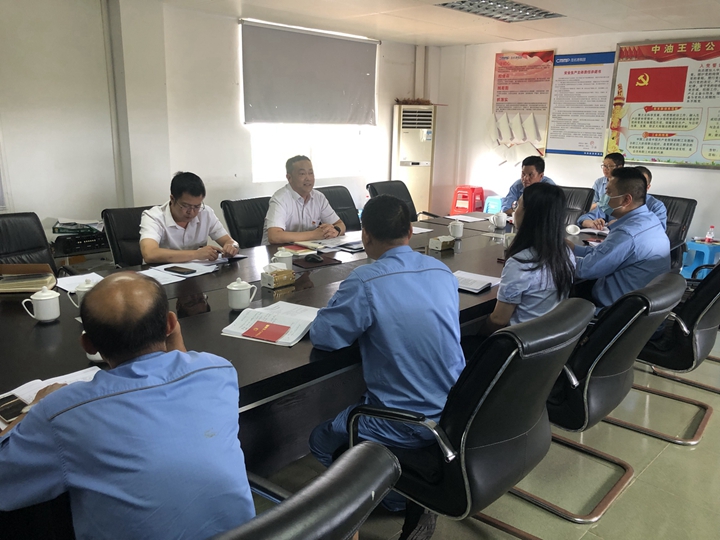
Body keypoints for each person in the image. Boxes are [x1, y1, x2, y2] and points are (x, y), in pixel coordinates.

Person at [0, 273, 255, 540]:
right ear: (171, 324)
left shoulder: (62, 413)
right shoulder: (218, 370)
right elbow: (180, 368)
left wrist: (35, 407)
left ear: (88, 345)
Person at [307, 194, 465, 489]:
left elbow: (325, 337)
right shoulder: (442, 271)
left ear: (365, 235)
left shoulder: (365, 280)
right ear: (410, 231)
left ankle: (395, 499)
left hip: (403, 421)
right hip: (455, 412)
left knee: (320, 440)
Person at [479, 183, 575, 335]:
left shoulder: (521, 263)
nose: (514, 211)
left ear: (530, 215)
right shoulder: (566, 253)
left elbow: (499, 320)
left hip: (518, 342)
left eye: (518, 205)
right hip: (550, 337)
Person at [572, 167, 670, 310]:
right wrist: (573, 248)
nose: (604, 197)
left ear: (626, 200)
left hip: (613, 311)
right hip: (643, 306)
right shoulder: (650, 220)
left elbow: (584, 269)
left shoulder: (627, 233)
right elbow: (603, 253)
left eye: (608, 192)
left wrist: (554, 258)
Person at [140, 171, 239, 263]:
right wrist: (196, 254)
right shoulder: (153, 217)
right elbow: (150, 254)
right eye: (185, 206)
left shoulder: (205, 213)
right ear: (172, 199)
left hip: (198, 272)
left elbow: (229, 241)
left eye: (197, 206)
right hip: (161, 273)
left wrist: (232, 246)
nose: (191, 212)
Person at [262, 155, 346, 245]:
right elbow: (274, 236)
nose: (308, 178)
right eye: (302, 174)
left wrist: (335, 231)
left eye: (311, 173)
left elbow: (340, 224)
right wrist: (314, 234)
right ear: (289, 178)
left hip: (308, 250)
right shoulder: (280, 198)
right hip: (277, 252)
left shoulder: (319, 197)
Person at [578, 162, 667, 230]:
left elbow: (658, 230)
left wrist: (620, 223)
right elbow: (584, 218)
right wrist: (592, 223)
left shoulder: (656, 206)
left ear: (647, 187)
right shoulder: (612, 200)